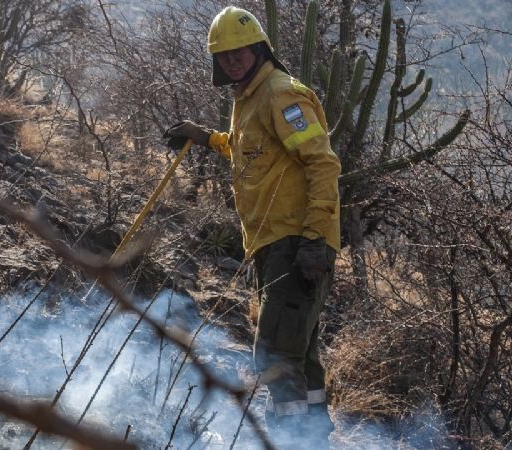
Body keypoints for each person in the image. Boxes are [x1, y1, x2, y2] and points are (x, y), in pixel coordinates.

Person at [163, 6, 341, 448]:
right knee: (299, 354)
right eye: (223, 56)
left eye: (239, 52)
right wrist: (206, 137)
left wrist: (315, 238)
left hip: (297, 242)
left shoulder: (281, 94)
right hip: (274, 244)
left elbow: (322, 163)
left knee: (276, 357)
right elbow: (254, 155)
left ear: (258, 47)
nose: (232, 61)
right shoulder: (249, 100)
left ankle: (286, 440)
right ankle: (314, 438)